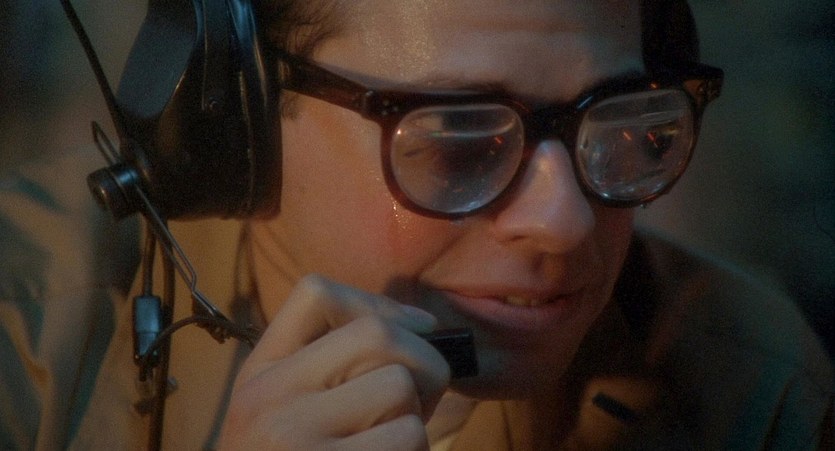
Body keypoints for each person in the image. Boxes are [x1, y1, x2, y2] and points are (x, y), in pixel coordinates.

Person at [1, 0, 832, 449]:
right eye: (458, 141)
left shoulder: (747, 380)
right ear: (237, 129)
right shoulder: (20, 327)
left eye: (619, 122)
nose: (565, 222)